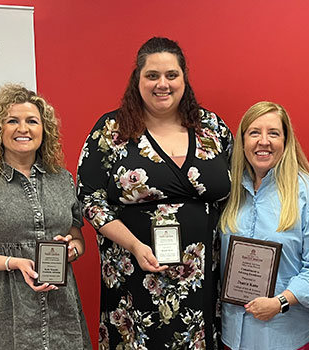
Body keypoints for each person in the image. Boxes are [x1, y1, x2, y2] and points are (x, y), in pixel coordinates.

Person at [77, 37, 232, 349]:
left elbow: (237, 185)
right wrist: (134, 245)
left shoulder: (211, 127)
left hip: (202, 279)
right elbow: (90, 200)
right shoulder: (111, 130)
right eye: (152, 75)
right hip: (134, 276)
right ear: (138, 79)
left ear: (184, 78)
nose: (163, 84)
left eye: (171, 75)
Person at [0, 84, 90, 350]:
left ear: (44, 130)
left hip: (59, 308)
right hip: (4, 312)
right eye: (12, 121)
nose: (23, 129)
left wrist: (72, 249)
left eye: (32, 121)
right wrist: (14, 262)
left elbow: (77, 238)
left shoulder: (62, 180)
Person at [219, 102, 309, 350]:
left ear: (286, 141)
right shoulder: (229, 191)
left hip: (285, 334)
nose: (263, 141)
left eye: (274, 133)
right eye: (254, 133)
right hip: (233, 333)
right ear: (242, 141)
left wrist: (280, 302)